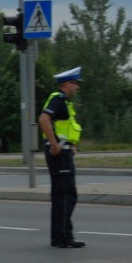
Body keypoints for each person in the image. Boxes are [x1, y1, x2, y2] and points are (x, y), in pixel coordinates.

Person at [38, 67, 84, 248]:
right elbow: (43, 119)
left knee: (62, 195)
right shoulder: (57, 99)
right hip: (59, 153)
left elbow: (65, 128)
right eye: (76, 83)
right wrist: (55, 144)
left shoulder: (64, 102)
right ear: (67, 83)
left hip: (64, 151)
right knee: (66, 194)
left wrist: (72, 144)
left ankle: (61, 236)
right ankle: (63, 237)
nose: (77, 87)